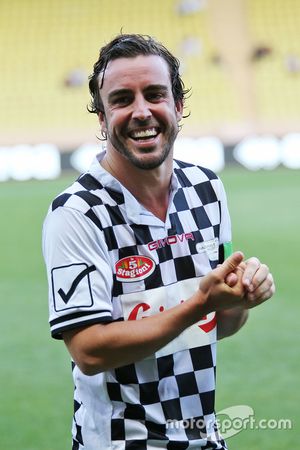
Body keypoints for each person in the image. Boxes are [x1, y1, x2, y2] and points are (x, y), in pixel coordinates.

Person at [42, 34, 275, 450]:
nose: (141, 111)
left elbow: (218, 324)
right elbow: (89, 351)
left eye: (154, 94)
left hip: (202, 437)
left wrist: (239, 299)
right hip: (119, 443)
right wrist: (200, 304)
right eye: (121, 99)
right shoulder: (77, 212)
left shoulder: (207, 188)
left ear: (178, 106)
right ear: (101, 117)